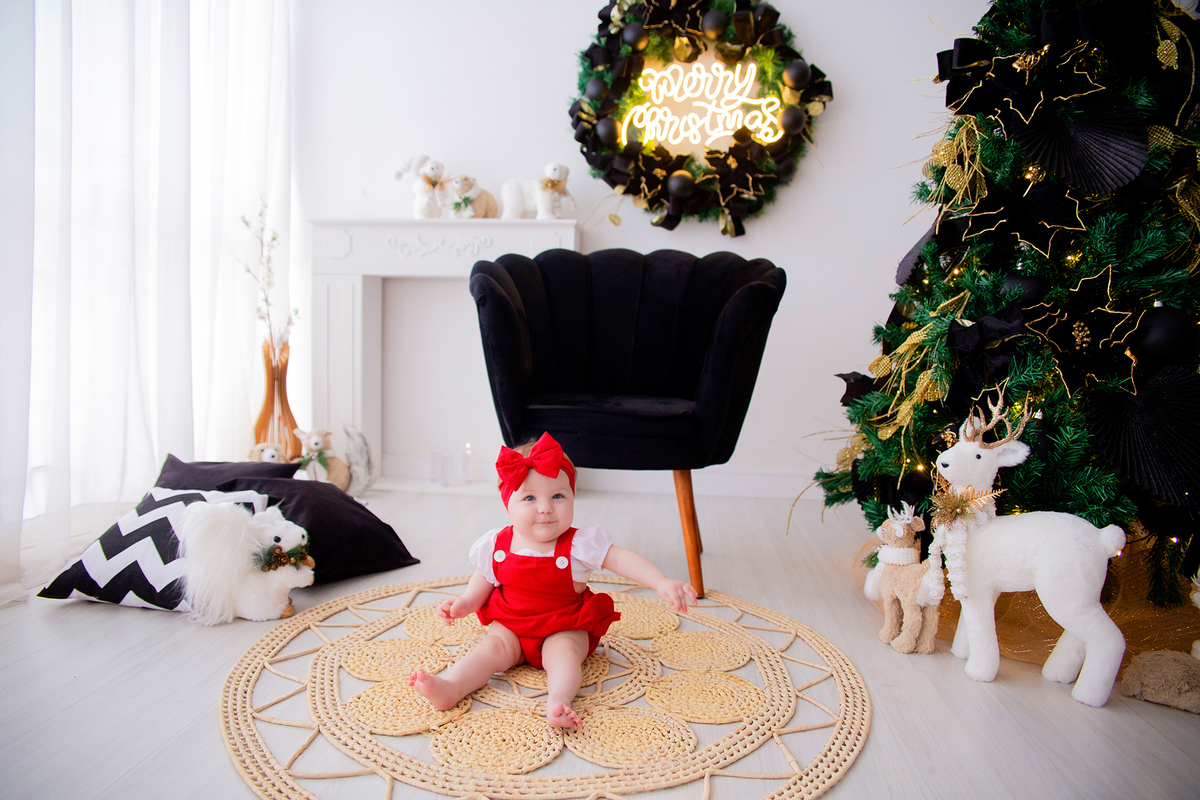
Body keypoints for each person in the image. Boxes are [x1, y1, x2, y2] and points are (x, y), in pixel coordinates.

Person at [409, 432, 698, 728]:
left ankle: (559, 700)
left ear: (573, 496)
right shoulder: (496, 544)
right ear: (508, 504)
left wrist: (661, 582)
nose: (545, 507)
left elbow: (621, 559)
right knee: (487, 650)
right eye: (530, 498)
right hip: (511, 626)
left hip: (563, 625)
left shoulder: (578, 545)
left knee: (564, 655)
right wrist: (466, 602)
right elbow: (484, 577)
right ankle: (451, 687)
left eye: (558, 496)